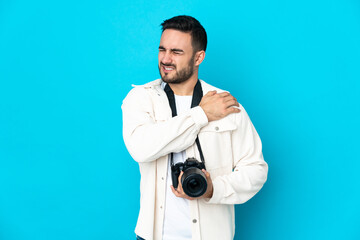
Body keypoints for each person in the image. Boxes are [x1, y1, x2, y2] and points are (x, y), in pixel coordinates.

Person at [122, 15, 268, 240]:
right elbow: (140, 148)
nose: (166, 59)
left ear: (199, 57)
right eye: (162, 50)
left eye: (176, 52)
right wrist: (201, 115)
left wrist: (213, 189)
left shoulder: (225, 104)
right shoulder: (141, 98)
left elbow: (256, 169)